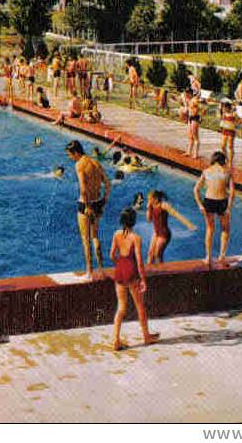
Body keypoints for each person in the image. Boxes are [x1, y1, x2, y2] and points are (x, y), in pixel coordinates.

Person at [110, 208, 159, 351]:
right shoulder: (136, 238)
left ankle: (116, 340)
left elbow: (112, 255)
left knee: (121, 307)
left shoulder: (116, 234)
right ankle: (146, 336)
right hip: (131, 273)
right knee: (140, 306)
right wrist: (143, 279)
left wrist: (119, 264)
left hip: (119, 271)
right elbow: (139, 262)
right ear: (134, 221)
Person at [65, 140, 111, 279]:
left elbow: (83, 189)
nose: (70, 158)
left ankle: (89, 273)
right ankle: (102, 271)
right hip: (98, 202)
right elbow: (108, 184)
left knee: (85, 239)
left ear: (76, 153)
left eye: (70, 155)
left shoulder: (79, 165)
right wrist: (103, 201)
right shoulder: (96, 163)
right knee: (95, 237)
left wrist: (87, 206)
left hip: (86, 205)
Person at [194, 151, 235, 268]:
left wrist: (200, 205)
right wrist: (229, 208)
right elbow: (232, 193)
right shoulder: (227, 172)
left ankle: (208, 257)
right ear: (223, 161)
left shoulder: (206, 172)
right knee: (225, 229)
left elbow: (195, 189)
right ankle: (222, 256)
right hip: (222, 201)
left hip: (209, 201)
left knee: (210, 229)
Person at [146, 190, 196, 264]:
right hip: (156, 233)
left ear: (156, 199)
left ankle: (162, 273)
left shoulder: (163, 205)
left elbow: (176, 214)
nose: (148, 201)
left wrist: (189, 224)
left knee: (157, 254)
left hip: (164, 234)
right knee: (150, 253)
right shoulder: (151, 206)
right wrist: (149, 209)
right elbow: (149, 220)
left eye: (150, 199)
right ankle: (148, 273)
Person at [219, 101, 238, 167]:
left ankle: (230, 162)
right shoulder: (224, 114)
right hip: (225, 130)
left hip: (231, 131)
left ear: (228, 107)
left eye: (224, 107)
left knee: (230, 146)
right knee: (223, 146)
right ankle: (226, 158)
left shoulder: (233, 114)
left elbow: (238, 120)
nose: (223, 109)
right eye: (223, 107)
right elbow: (222, 121)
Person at [185, 90, 202, 159]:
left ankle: (196, 154)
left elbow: (200, 109)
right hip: (190, 118)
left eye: (187, 94)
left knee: (195, 137)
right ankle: (189, 151)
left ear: (190, 94)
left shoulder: (195, 100)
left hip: (195, 118)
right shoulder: (190, 100)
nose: (186, 95)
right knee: (190, 136)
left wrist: (200, 116)